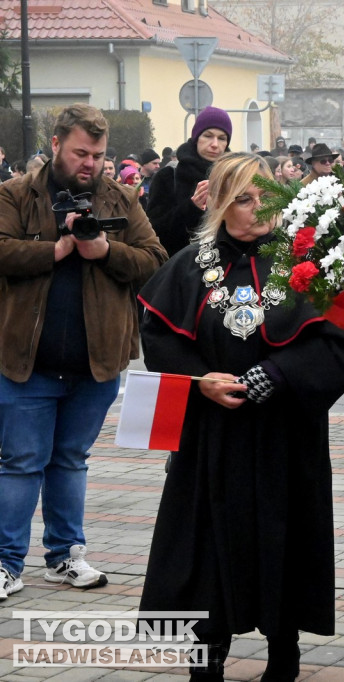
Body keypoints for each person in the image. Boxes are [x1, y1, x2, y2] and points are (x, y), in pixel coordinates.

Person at [137, 152, 344, 680]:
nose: (259, 209)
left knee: (285, 534)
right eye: (245, 200)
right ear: (219, 203)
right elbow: (159, 337)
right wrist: (200, 381)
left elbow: (331, 347)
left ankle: (285, 648)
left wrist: (278, 375)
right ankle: (206, 652)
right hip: (212, 437)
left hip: (284, 434)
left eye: (267, 198)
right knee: (207, 540)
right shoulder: (190, 264)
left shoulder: (304, 264)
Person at [0, 103, 167, 601]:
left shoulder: (122, 198)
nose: (89, 163)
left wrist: (106, 251)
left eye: (97, 154)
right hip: (25, 357)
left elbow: (156, 261)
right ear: (56, 146)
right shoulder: (15, 194)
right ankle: (7, 563)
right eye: (80, 152)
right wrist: (53, 250)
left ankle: (64, 556)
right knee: (22, 461)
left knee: (71, 459)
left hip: (96, 362)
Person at [147, 106, 231, 256]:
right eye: (208, 135)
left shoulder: (233, 178)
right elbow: (154, 232)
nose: (214, 144)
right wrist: (191, 208)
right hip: (181, 269)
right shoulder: (168, 177)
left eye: (222, 138)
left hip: (227, 268)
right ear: (196, 137)